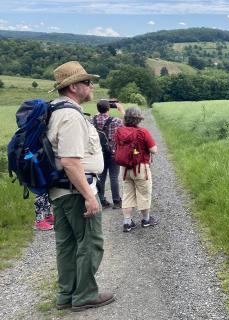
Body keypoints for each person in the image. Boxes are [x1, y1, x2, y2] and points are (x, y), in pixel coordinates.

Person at [47, 60, 114, 312]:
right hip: (76, 190)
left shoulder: (55, 110)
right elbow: (71, 161)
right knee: (90, 241)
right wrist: (89, 195)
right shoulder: (70, 115)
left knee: (66, 243)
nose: (91, 86)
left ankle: (66, 294)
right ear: (73, 87)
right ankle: (85, 294)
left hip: (60, 191)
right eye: (87, 82)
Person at [114, 106, 158, 233]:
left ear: (126, 118)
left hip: (125, 169)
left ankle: (127, 223)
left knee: (127, 194)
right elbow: (153, 150)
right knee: (144, 193)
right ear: (138, 119)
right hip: (140, 168)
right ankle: (146, 220)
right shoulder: (142, 132)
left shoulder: (119, 131)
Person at [92, 100, 125, 209]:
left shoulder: (93, 120)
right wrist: (121, 110)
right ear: (109, 109)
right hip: (113, 152)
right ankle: (116, 201)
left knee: (101, 177)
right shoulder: (116, 121)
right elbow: (127, 124)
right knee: (114, 177)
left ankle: (101, 200)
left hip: (99, 153)